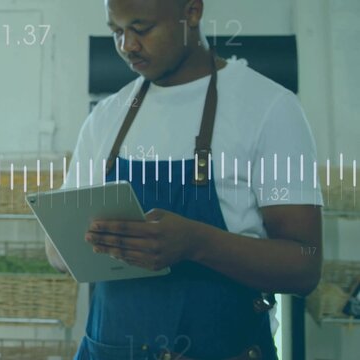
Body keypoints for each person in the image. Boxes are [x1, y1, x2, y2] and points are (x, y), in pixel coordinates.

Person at [45, 0, 323, 359]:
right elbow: (58, 250)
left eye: (141, 28)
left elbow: (305, 266)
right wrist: (65, 248)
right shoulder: (106, 118)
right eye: (117, 31)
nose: (127, 45)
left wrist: (196, 243)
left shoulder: (269, 109)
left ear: (192, 11)